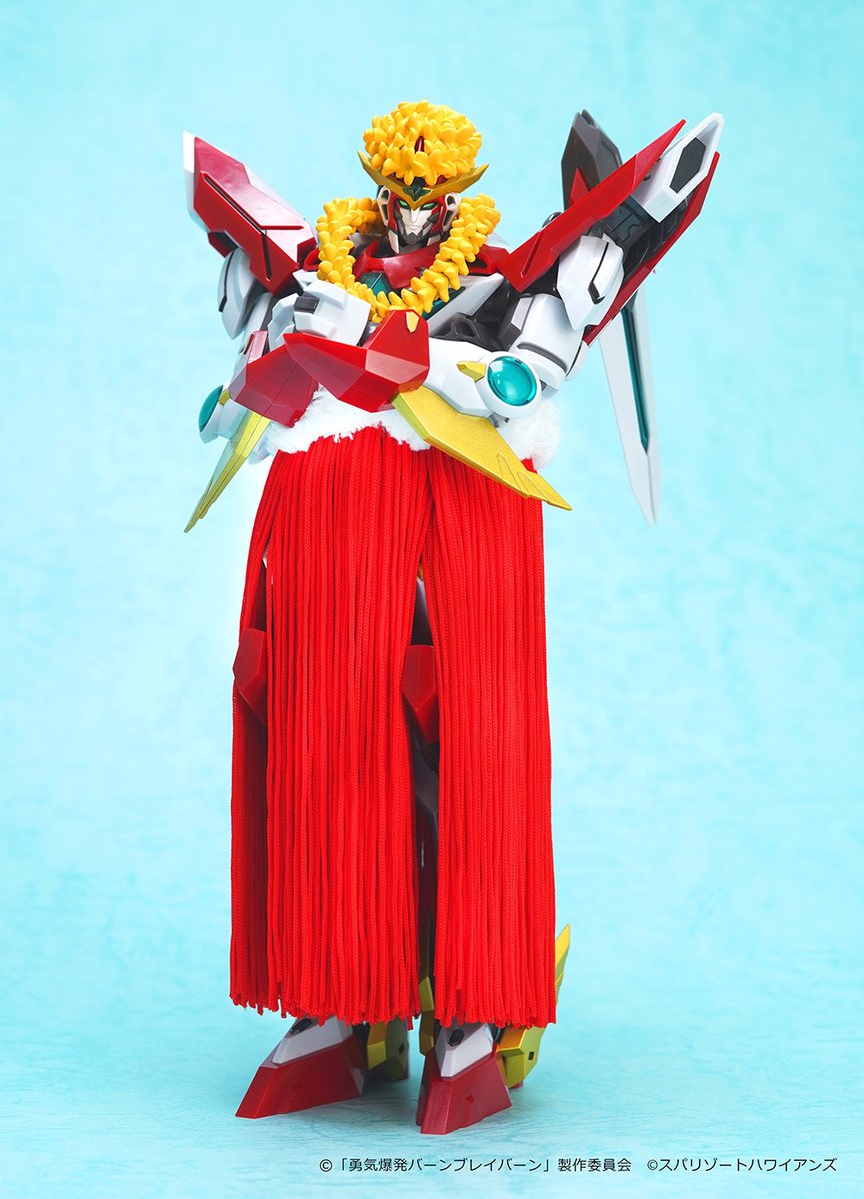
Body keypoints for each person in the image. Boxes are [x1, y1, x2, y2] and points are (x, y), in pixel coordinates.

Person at [185, 100, 722, 1133]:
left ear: (456, 201)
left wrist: (404, 356)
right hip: (333, 524)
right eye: (397, 198)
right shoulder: (315, 271)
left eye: (429, 202)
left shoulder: (500, 287)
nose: (410, 218)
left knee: (463, 754)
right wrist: (271, 368)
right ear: (377, 192)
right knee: (324, 749)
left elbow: (525, 369)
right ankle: (340, 997)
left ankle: (472, 1008)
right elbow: (256, 369)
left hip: (455, 527)